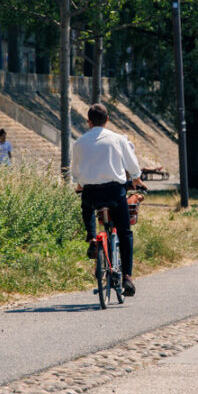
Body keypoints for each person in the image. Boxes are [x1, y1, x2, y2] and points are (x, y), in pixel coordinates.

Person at [71, 103, 145, 297]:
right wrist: (136, 177)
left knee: (86, 206)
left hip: (91, 193)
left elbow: (75, 172)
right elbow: (132, 165)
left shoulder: (78, 143)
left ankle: (93, 237)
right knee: (125, 232)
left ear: (88, 122)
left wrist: (80, 182)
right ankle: (127, 277)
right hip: (114, 192)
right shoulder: (118, 139)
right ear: (107, 120)